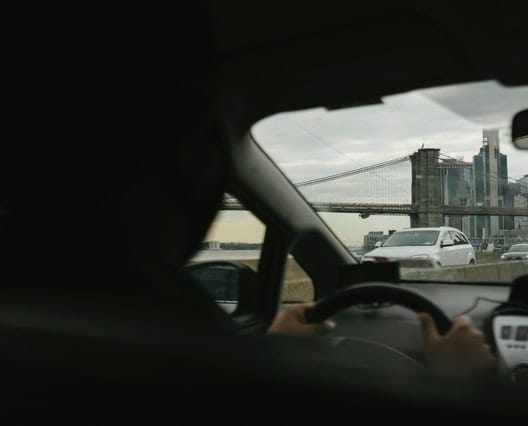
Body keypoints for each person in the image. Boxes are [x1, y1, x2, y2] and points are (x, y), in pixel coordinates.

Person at [1, 2, 495, 389]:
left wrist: (268, 352)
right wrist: (458, 387)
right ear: (196, 158)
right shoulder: (162, 319)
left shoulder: (44, 298)